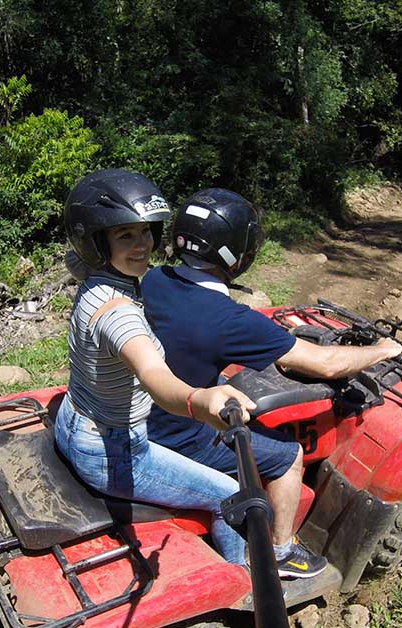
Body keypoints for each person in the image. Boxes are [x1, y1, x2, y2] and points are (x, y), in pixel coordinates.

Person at [140, 188, 402, 579]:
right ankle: (281, 552)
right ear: (238, 254)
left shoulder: (155, 279)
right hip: (181, 436)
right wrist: (382, 350)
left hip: (145, 410)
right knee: (287, 456)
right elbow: (327, 363)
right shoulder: (228, 320)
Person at [52, 169, 257, 567]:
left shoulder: (93, 274)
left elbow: (74, 257)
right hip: (112, 449)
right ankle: (242, 581)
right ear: (98, 243)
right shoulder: (119, 316)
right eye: (125, 235)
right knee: (229, 493)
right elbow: (153, 374)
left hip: (74, 422)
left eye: (145, 231)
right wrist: (199, 399)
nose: (142, 244)